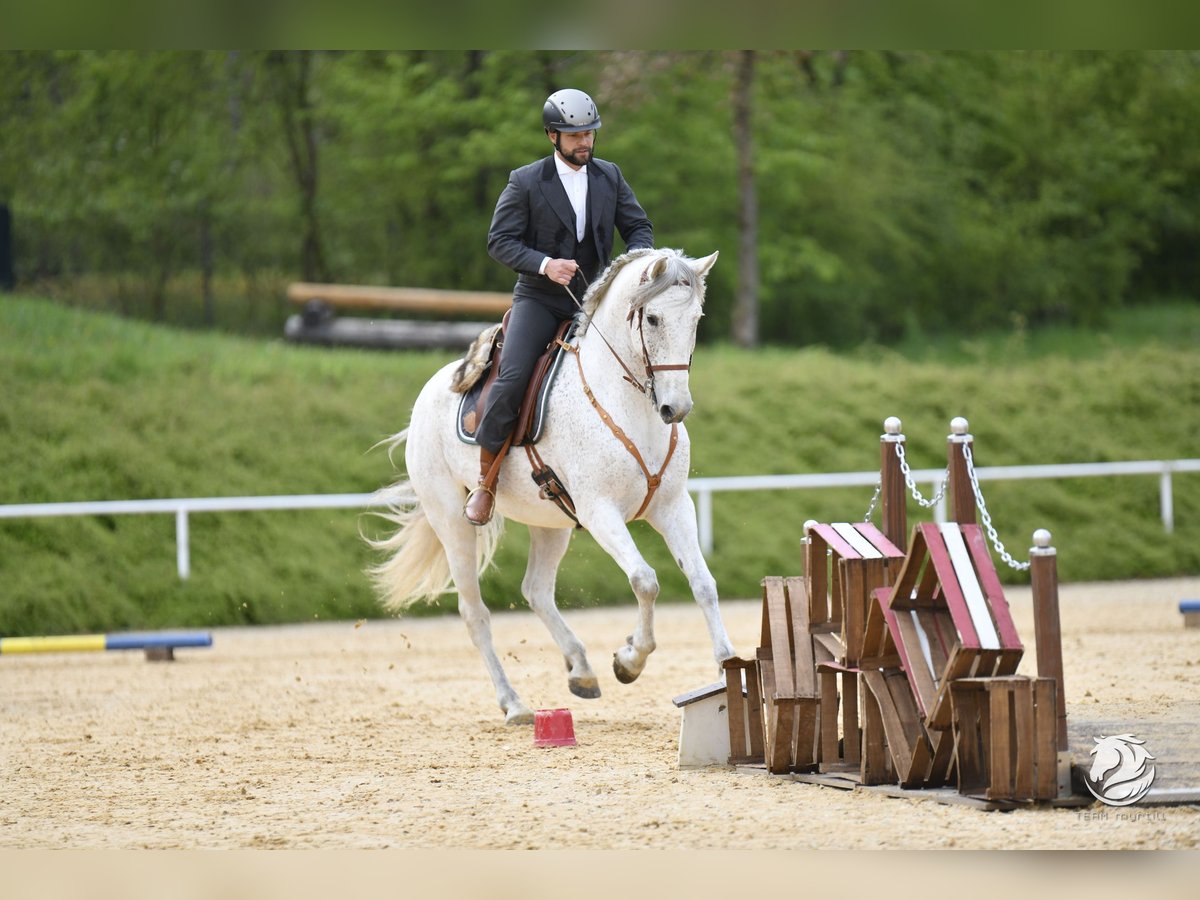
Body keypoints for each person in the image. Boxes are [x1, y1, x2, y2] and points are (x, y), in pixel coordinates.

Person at [464, 88, 655, 526]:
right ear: (552, 136)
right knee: (511, 378)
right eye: (574, 136)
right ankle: (485, 482)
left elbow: (638, 226)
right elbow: (500, 242)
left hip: (594, 302)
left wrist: (634, 264)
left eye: (588, 133)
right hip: (540, 300)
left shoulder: (610, 175)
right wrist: (546, 265)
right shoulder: (525, 181)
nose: (584, 142)